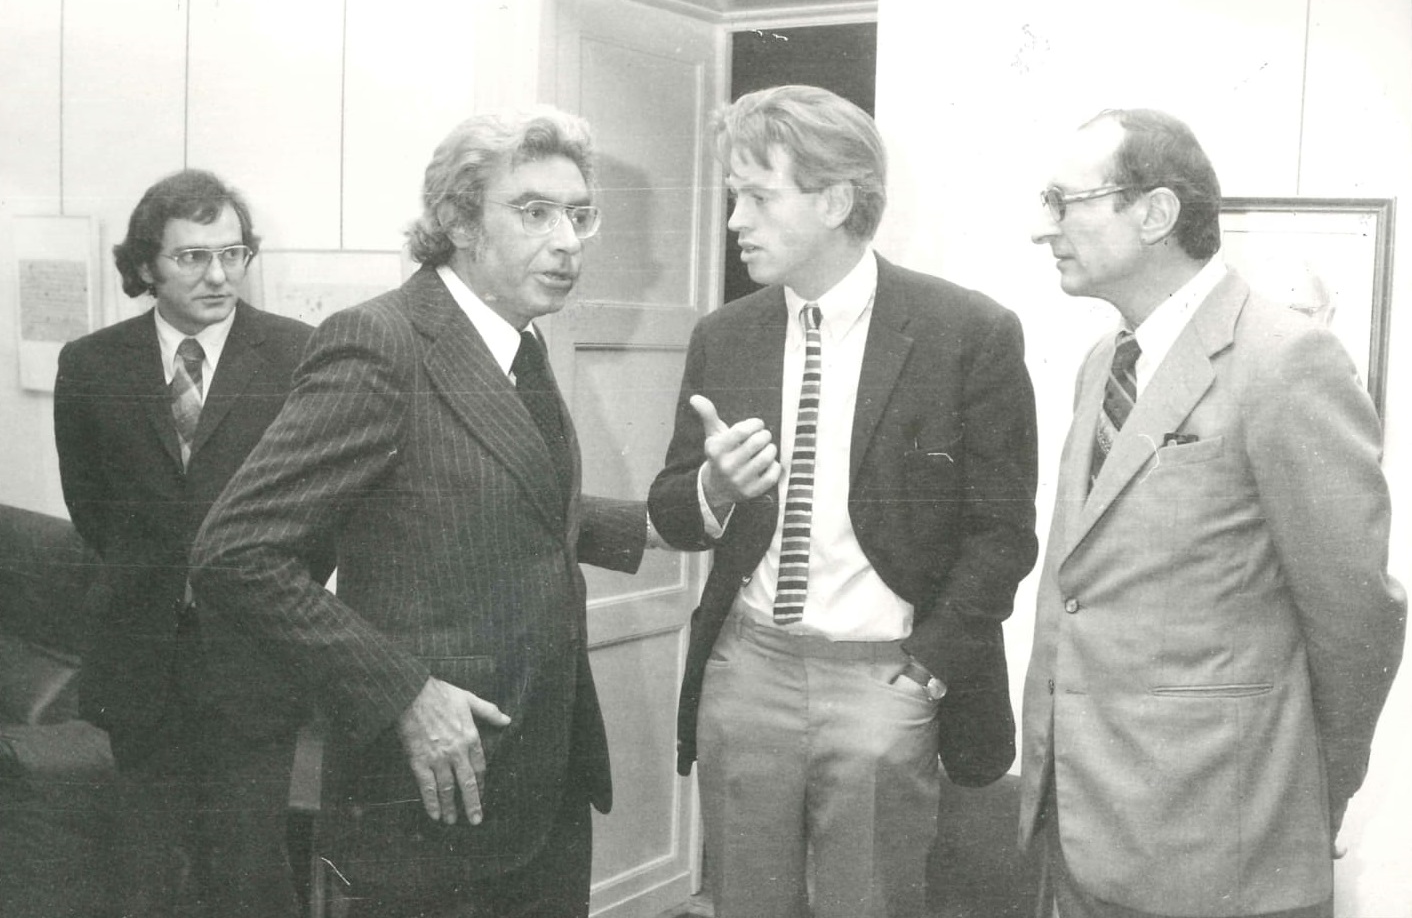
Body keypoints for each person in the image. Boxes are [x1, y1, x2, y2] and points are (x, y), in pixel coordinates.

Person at [190, 107, 648, 918]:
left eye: (579, 215)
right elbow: (235, 552)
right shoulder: (382, 341)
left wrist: (661, 521)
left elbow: (489, 495)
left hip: (539, 785)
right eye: (535, 212)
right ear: (459, 222)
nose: (568, 241)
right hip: (430, 800)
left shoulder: (519, 341)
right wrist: (402, 692)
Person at [648, 85, 1039, 918]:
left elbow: (1002, 534)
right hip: (748, 670)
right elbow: (674, 510)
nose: (735, 222)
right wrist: (714, 489)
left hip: (885, 679)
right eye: (734, 197)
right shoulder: (725, 335)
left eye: (759, 197)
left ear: (833, 201)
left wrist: (924, 672)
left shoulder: (967, 332)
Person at [1020, 108, 1406, 918]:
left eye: (1064, 202)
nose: (1042, 227)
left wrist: (1311, 793)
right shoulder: (1102, 363)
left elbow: (1356, 616)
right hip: (1081, 832)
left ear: (1155, 213)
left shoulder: (1286, 359)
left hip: (1221, 850)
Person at [53, 169, 318, 917]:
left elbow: (318, 517)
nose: (219, 275)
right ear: (146, 265)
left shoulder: (299, 355)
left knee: (249, 877)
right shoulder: (91, 363)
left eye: (233, 254)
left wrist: (259, 590)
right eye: (193, 257)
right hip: (139, 664)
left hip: (255, 662)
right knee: (146, 878)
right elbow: (93, 510)